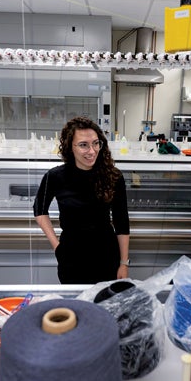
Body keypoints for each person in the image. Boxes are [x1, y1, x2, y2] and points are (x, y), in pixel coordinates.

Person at [34, 116, 130, 284]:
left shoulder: (113, 176)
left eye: (95, 143)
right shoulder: (55, 176)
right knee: (75, 300)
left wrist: (123, 263)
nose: (92, 151)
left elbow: (121, 222)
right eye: (83, 145)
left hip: (106, 257)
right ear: (70, 147)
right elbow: (39, 210)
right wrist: (57, 247)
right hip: (71, 259)